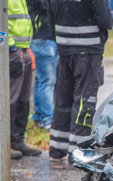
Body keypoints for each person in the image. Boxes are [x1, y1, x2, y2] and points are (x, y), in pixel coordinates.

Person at [48, 0, 113, 162]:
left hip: (64, 50)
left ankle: (57, 149)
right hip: (88, 52)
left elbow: (50, 19)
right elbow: (105, 20)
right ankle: (77, 153)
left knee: (63, 100)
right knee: (84, 103)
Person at [8, 0, 42, 160]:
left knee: (23, 98)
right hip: (12, 51)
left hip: (23, 49)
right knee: (10, 99)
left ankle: (17, 140)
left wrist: (27, 48)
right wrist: (11, 48)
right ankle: (5, 143)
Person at [27, 0, 58, 130]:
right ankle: (47, 120)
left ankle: (40, 118)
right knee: (47, 82)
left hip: (37, 36)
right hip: (45, 37)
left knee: (41, 80)